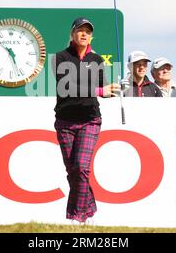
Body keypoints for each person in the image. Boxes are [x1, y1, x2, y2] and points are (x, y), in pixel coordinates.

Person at [54, 17, 120, 224]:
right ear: (72, 34)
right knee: (73, 171)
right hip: (65, 121)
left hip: (90, 120)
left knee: (81, 167)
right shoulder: (60, 58)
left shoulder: (97, 60)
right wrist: (100, 90)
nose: (84, 34)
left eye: (87, 31)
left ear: (91, 36)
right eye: (80, 30)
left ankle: (78, 217)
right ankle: (89, 208)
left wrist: (113, 90)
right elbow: (66, 89)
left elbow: (104, 88)